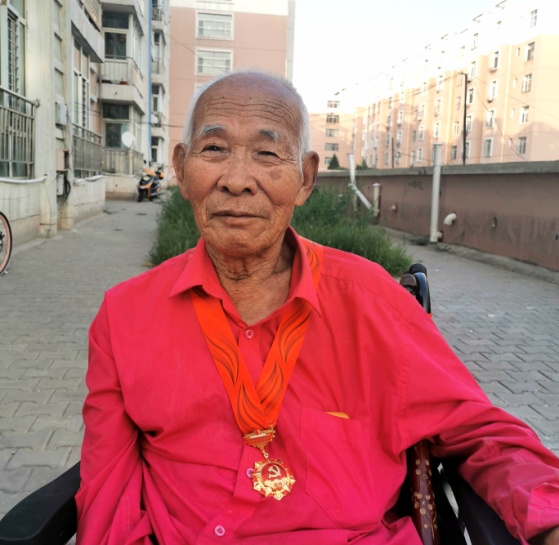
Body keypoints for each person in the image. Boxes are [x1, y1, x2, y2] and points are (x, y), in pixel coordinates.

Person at [75, 70, 559, 545]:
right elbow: (108, 498)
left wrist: (549, 517)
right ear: (182, 169)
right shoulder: (126, 315)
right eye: (215, 149)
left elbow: (483, 434)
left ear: (305, 178)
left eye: (267, 153)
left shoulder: (373, 303)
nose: (237, 181)